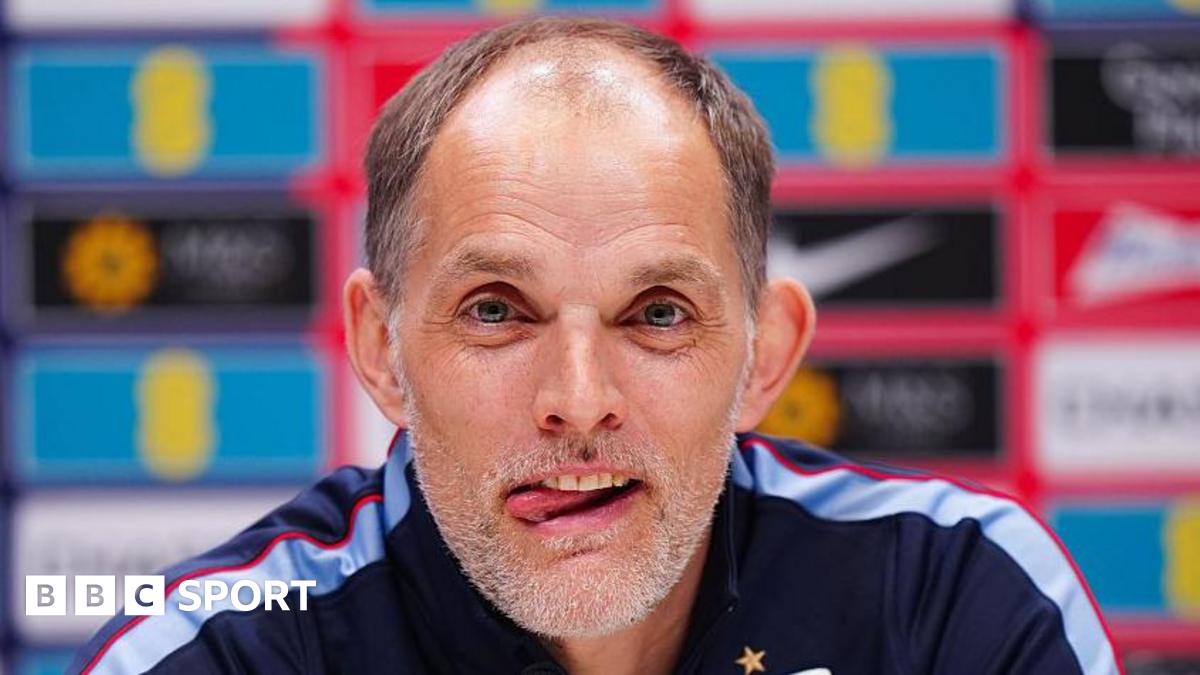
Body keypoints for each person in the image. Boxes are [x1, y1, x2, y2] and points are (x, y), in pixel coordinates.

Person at [73, 17, 1120, 675]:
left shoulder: (957, 601)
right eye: (496, 311)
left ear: (764, 357)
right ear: (382, 351)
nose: (578, 402)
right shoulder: (219, 652)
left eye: (658, 313)